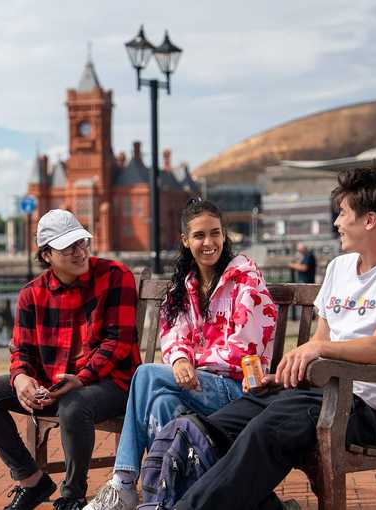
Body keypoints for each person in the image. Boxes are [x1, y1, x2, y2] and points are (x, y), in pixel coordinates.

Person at [172, 162, 376, 510]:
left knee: (264, 430)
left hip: (353, 407)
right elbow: (320, 338)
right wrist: (285, 373)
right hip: (307, 392)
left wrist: (316, 352)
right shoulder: (339, 268)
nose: (336, 222)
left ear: (369, 220)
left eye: (343, 213)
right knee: (208, 430)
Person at [84, 198, 278, 510]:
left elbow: (247, 347)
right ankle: (171, 497)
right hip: (197, 387)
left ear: (224, 236)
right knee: (162, 402)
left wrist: (191, 364)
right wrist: (179, 359)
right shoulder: (185, 286)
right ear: (185, 241)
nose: (209, 242)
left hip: (237, 391)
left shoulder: (246, 279)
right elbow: (173, 332)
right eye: (199, 236)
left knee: (146, 373)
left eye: (215, 233)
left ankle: (123, 483)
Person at [0, 209, 141, 510]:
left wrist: (82, 378)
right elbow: (22, 350)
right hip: (54, 382)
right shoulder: (31, 294)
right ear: (47, 255)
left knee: (75, 404)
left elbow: (118, 342)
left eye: (81, 243)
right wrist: (21, 377)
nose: (79, 251)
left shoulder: (115, 276)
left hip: (111, 383)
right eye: (68, 247)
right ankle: (32, 480)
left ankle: (72, 495)